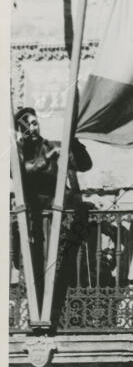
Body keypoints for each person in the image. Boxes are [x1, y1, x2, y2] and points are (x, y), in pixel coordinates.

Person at [15, 107, 92, 297]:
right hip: (33, 220)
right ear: (19, 130)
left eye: (34, 123)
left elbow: (85, 165)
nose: (32, 128)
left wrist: (75, 142)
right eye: (26, 126)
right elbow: (20, 172)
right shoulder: (17, 153)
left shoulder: (52, 146)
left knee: (62, 266)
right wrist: (45, 159)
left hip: (58, 215)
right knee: (35, 267)